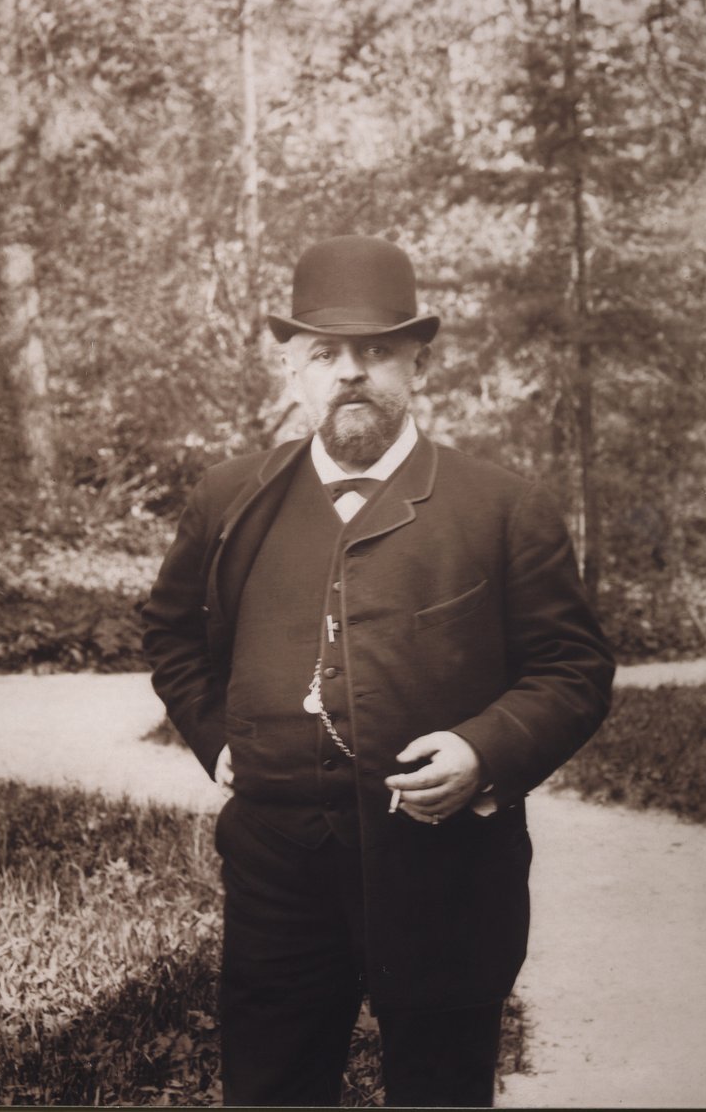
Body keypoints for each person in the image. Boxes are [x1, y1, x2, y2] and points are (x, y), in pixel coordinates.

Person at [141, 234, 614, 1108]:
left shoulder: (504, 507)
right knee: (271, 1092)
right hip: (277, 877)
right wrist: (214, 738)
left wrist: (483, 751)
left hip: (449, 876)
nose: (349, 372)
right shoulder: (228, 500)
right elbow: (170, 633)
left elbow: (573, 668)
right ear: (292, 369)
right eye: (325, 353)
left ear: (416, 364)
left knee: (440, 1091)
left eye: (376, 351)